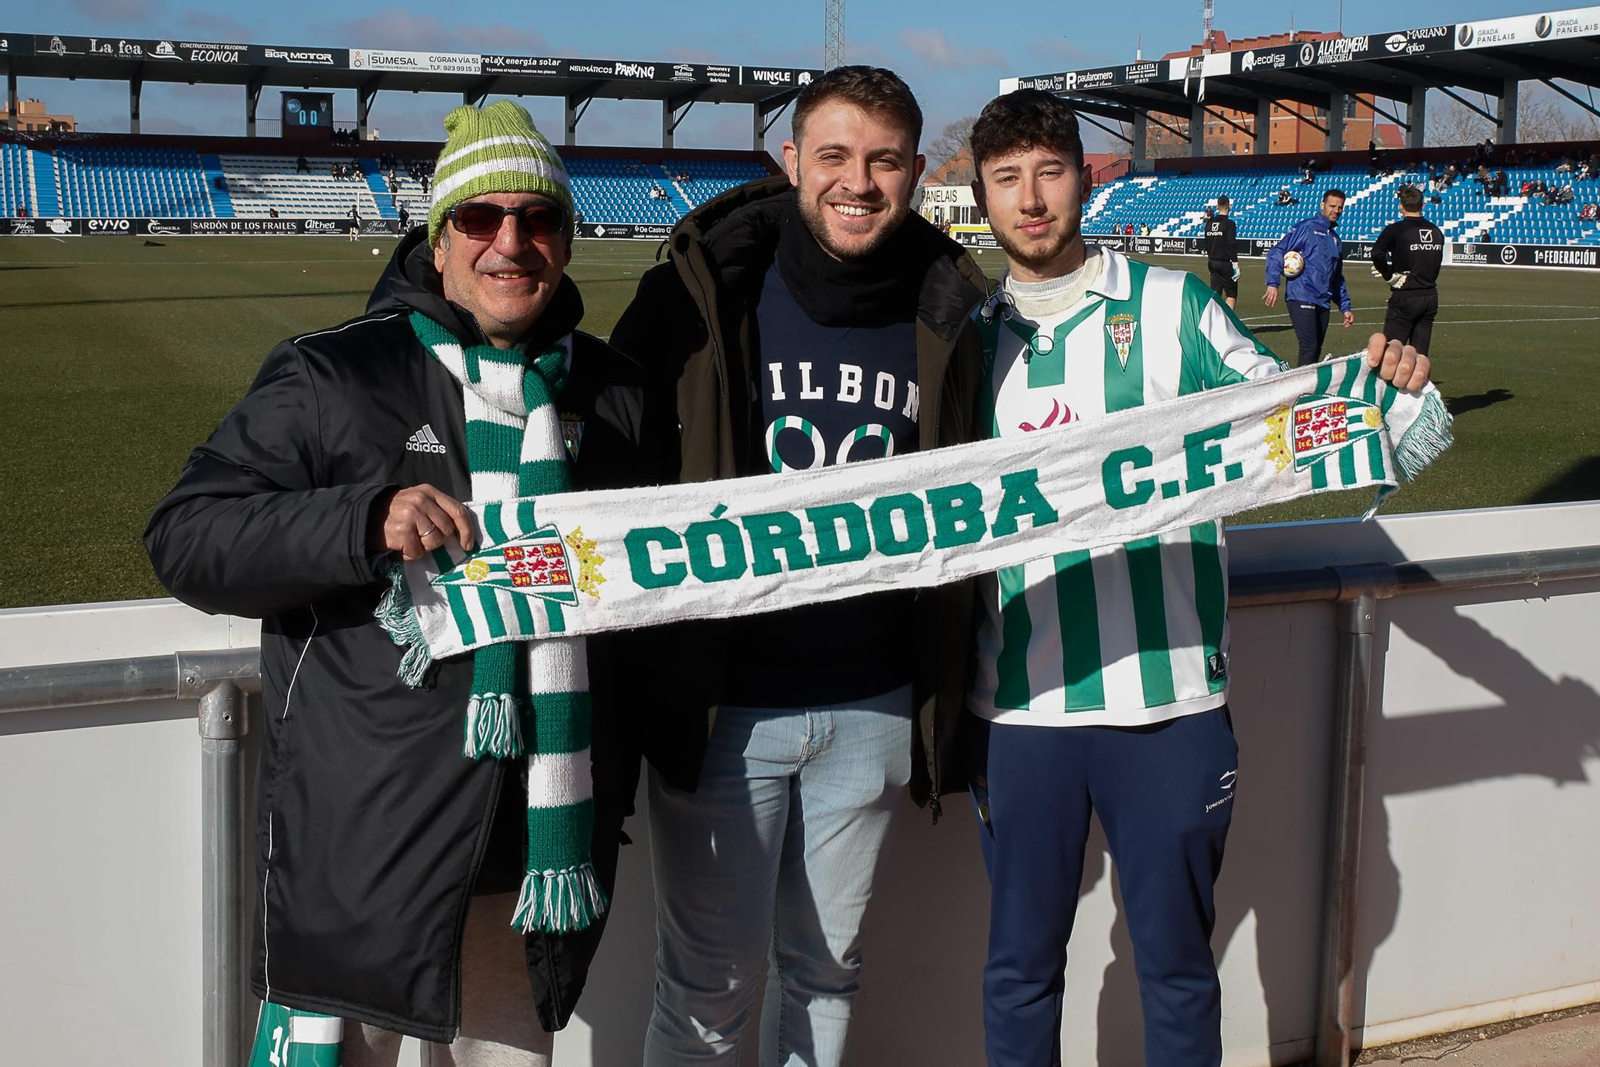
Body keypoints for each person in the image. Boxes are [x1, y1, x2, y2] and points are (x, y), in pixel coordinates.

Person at [145, 101, 668, 1067]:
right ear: (438, 243)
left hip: (531, 862)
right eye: (480, 219)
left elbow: (642, 613)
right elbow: (185, 536)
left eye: (539, 219)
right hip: (373, 854)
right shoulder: (333, 373)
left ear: (567, 238)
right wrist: (360, 520)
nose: (511, 243)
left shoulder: (616, 392)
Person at [961, 87, 1431, 1067]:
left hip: (1168, 702)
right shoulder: (965, 342)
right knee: (1016, 967)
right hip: (1020, 707)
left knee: (1175, 965)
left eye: (1048, 171)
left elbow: (1288, 424)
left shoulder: (1173, 310)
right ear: (982, 196)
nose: (1031, 199)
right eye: (1006, 179)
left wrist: (1398, 411)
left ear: (1082, 178)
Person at [609, 65, 988, 1067]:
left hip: (874, 702)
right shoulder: (695, 292)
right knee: (706, 992)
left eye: (882, 160)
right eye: (833, 155)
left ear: (914, 170)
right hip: (721, 706)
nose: (856, 182)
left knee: (827, 971)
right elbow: (603, 455)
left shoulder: (953, 306)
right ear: (789, 163)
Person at [1263, 188, 1352, 366]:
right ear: (1322, 205)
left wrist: (1345, 307)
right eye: (1332, 206)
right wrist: (1273, 282)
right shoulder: (1307, 227)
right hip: (1301, 295)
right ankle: (1298, 391)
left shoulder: (1335, 239)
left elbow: (1336, 278)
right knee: (1309, 346)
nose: (1336, 211)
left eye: (1340, 207)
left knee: (1316, 349)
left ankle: (1308, 389)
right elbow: (1277, 251)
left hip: (1323, 300)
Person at [1371, 185, 1444, 355]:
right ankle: (1419, 381)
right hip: (1430, 295)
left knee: (1391, 352)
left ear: (1400, 206)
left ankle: (1390, 382)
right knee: (1419, 354)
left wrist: (1388, 275)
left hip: (1406, 295)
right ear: (1423, 205)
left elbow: (1376, 253)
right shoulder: (1436, 231)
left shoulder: (1395, 230)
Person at [1202, 194, 1239, 309]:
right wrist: (1235, 264)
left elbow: (1207, 243)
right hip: (1224, 263)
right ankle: (1227, 324)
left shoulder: (1209, 223)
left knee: (1215, 295)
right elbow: (1230, 244)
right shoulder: (1229, 224)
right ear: (1229, 206)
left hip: (1212, 262)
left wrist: (1210, 262)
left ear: (1217, 206)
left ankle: (1212, 322)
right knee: (1231, 294)